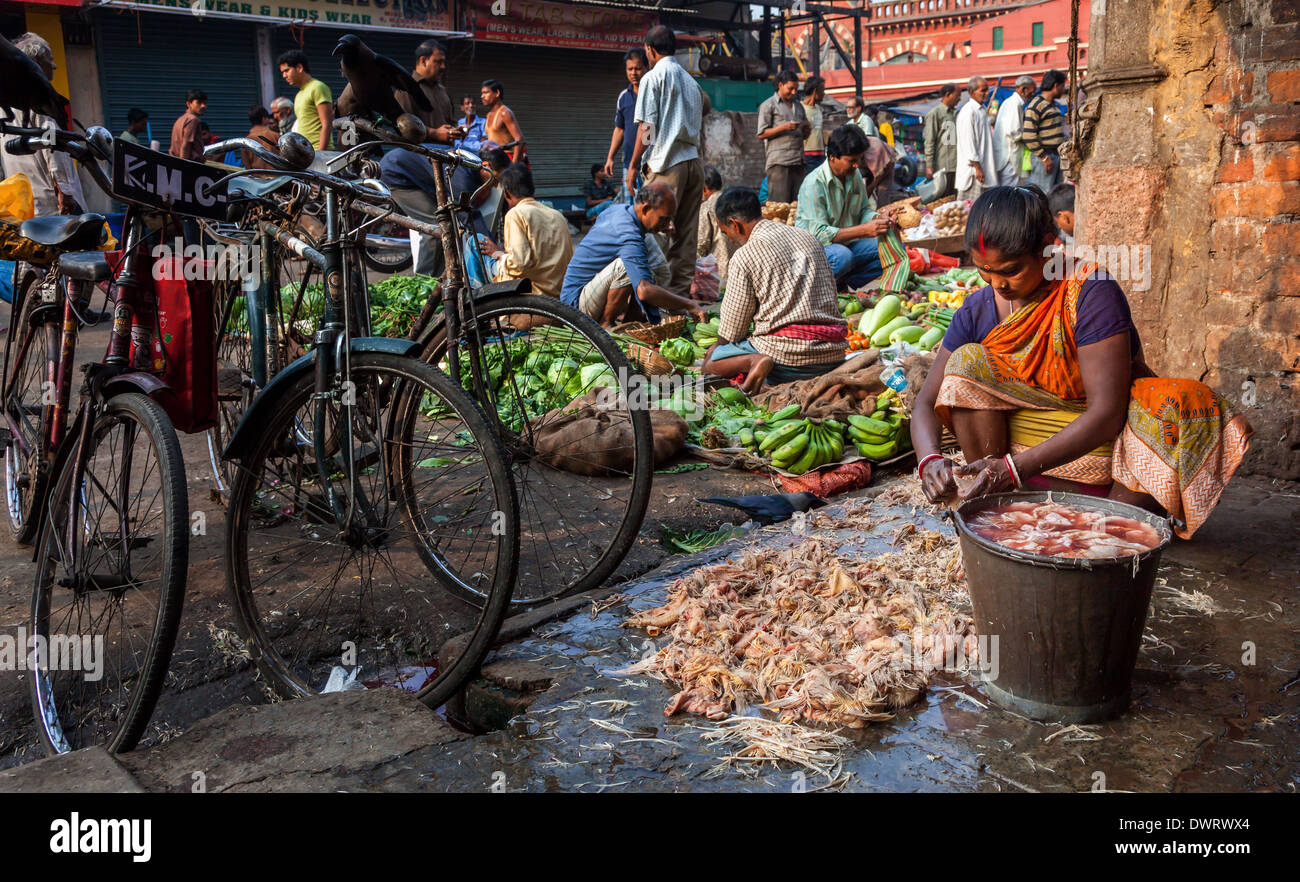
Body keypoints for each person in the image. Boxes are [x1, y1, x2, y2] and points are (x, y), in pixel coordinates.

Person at [909, 186, 1251, 536]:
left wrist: (1013, 468)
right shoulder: (977, 310)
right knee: (966, 364)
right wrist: (929, 460)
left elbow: (1106, 415)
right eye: (985, 271)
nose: (998, 285)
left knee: (1174, 405)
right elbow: (924, 401)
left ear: (1048, 249)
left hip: (1103, 457)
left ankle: (1109, 522)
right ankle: (1001, 507)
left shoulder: (1091, 292)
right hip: (1012, 469)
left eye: (1010, 271)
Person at [701, 187, 846, 392]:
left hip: (788, 361)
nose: (730, 239)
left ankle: (754, 361)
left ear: (735, 224)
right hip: (833, 353)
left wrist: (718, 348)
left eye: (727, 233)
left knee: (711, 362)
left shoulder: (745, 256)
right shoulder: (807, 238)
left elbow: (733, 331)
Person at [626, 25, 711, 300]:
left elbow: (647, 130)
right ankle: (677, 300)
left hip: (667, 163)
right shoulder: (689, 79)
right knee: (686, 237)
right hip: (693, 163)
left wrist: (632, 164)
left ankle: (651, 297)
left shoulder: (654, 78)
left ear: (650, 49)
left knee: (654, 231)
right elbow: (706, 105)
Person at [561, 180, 704, 327]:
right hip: (576, 307)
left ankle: (630, 321)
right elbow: (644, 291)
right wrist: (688, 304)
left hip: (587, 292)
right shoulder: (629, 234)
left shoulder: (619, 211)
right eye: (664, 218)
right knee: (628, 269)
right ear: (646, 209)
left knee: (642, 268)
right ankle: (605, 327)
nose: (669, 225)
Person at [795, 126, 900, 289]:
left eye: (859, 159)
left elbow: (863, 210)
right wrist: (864, 230)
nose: (857, 165)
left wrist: (878, 219)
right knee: (843, 257)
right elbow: (819, 234)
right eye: (851, 161)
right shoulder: (814, 184)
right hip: (812, 252)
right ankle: (813, 289)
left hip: (844, 245)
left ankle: (842, 283)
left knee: (890, 247)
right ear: (832, 157)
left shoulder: (854, 175)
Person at [0, 34, 85, 216]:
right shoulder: (40, 101)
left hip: (22, 208)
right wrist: (65, 193)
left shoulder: (4, 106)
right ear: (37, 63)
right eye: (50, 59)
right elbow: (54, 149)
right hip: (53, 207)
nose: (54, 65)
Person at [464, 163, 573, 298]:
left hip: (532, 291)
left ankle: (477, 307)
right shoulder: (557, 215)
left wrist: (496, 253)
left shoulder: (516, 214)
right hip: (556, 292)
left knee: (474, 241)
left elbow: (518, 265)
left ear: (507, 193)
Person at [756, 70, 810, 203]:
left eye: (796, 89)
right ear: (780, 85)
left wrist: (806, 129)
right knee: (779, 205)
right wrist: (784, 127)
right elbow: (761, 134)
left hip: (799, 162)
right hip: (779, 163)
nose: (793, 92)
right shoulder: (768, 105)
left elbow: (803, 135)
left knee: (798, 205)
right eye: (790, 88)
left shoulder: (798, 107)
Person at [604, 48, 649, 203]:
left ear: (646, 68)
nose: (633, 73)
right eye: (630, 69)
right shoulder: (623, 97)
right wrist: (610, 157)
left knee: (650, 208)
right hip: (628, 164)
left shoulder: (653, 93)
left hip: (650, 164)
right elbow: (619, 129)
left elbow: (650, 130)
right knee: (631, 207)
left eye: (637, 68)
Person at [395, 39, 459, 144]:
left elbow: (451, 121)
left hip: (447, 154)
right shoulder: (406, 89)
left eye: (444, 62)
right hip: (420, 154)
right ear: (423, 61)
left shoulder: (443, 90)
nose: (443, 67)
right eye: (438, 62)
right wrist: (435, 133)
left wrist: (456, 130)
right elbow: (401, 126)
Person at [277, 50, 333, 151]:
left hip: (319, 154)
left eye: (286, 70)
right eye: (282, 72)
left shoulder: (318, 87)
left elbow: (327, 123)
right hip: (305, 154)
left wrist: (320, 153)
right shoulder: (299, 95)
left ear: (299, 68)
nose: (284, 76)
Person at [1022, 70, 1068, 192]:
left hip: (1055, 156)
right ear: (1055, 86)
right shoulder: (1037, 105)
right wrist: (1043, 157)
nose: (1063, 89)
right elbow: (1028, 135)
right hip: (1045, 157)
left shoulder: (1053, 105)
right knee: (1041, 194)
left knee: (1054, 194)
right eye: (1062, 86)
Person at [955, 76, 996, 202]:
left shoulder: (982, 110)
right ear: (972, 92)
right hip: (974, 172)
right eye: (983, 91)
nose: (986, 94)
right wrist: (977, 167)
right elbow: (969, 142)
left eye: (987, 90)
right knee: (969, 211)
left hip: (984, 169)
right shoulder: (968, 112)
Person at [994, 75, 1036, 186]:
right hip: (1010, 157)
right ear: (1023, 89)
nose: (1031, 96)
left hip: (1010, 156)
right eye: (1031, 93)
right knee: (1010, 192)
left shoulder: (1011, 103)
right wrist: (1030, 138)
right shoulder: (1014, 104)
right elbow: (1013, 132)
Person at [922, 83, 960, 199]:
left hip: (957, 165)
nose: (959, 99)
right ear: (947, 95)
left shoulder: (957, 114)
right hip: (942, 166)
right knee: (943, 200)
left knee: (954, 200)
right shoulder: (935, 114)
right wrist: (929, 165)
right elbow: (929, 141)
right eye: (957, 95)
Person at [481, 79, 525, 164]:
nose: (482, 96)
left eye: (486, 93)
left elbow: (520, 139)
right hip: (494, 161)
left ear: (497, 93)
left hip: (506, 160)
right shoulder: (488, 115)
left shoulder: (504, 113)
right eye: (482, 93)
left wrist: (513, 166)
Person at [169, 88, 207, 162]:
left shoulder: (180, 119)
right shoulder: (193, 120)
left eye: (204, 103)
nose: (203, 106)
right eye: (199, 103)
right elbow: (186, 144)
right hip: (190, 164)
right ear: (188, 104)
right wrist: (184, 165)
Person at [801, 75, 826, 173]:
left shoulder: (819, 109)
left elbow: (820, 132)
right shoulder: (800, 109)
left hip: (821, 155)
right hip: (807, 156)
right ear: (815, 91)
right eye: (823, 90)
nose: (824, 93)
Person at [244, 105, 281, 170]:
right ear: (263, 119)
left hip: (257, 178)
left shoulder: (246, 141)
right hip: (278, 178)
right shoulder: (276, 136)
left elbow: (247, 166)